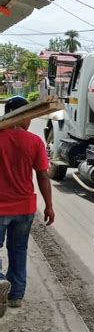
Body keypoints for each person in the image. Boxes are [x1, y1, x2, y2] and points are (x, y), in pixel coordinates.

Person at [0, 96, 55, 317]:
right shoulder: (34, 142)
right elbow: (43, 175)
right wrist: (49, 206)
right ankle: (15, 296)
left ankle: (0, 280)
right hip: (24, 208)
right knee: (19, 250)